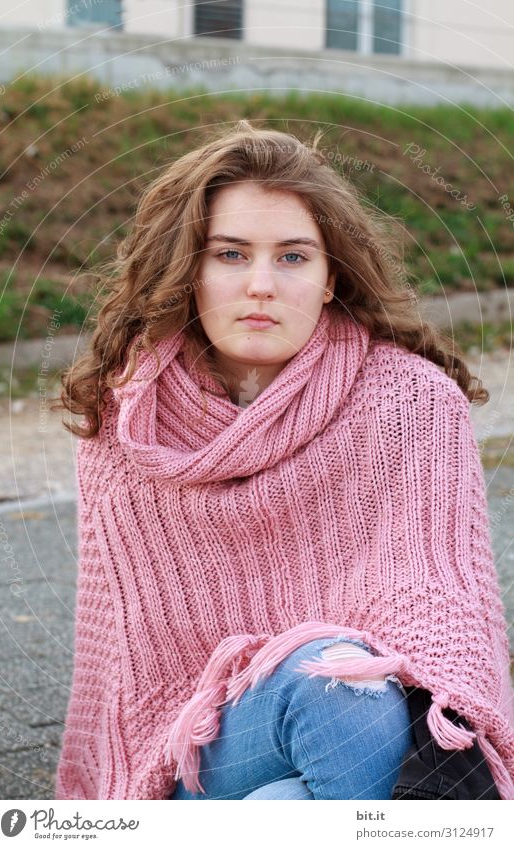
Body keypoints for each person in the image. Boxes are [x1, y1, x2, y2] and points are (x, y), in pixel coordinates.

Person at [52, 120, 514, 801]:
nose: (261, 284)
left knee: (304, 764)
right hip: (189, 753)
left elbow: (441, 611)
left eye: (293, 257)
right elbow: (122, 671)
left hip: (367, 723)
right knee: (329, 689)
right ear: (188, 270)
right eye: (231, 254)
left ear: (332, 278)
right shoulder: (127, 426)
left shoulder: (411, 403)